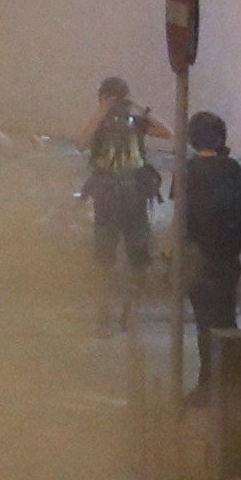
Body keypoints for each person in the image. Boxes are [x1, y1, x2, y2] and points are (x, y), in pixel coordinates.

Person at [80, 80, 165, 332]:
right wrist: (100, 113)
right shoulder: (100, 123)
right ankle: (106, 313)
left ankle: (129, 310)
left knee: (136, 257)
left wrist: (141, 109)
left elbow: (166, 132)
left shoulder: (135, 122)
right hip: (110, 195)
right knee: (105, 258)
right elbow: (82, 142)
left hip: (132, 194)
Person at [176, 112, 241, 348]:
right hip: (227, 258)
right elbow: (240, 210)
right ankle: (227, 377)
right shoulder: (233, 169)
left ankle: (207, 379)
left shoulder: (187, 170)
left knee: (204, 324)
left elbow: (181, 217)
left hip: (198, 258)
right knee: (226, 321)